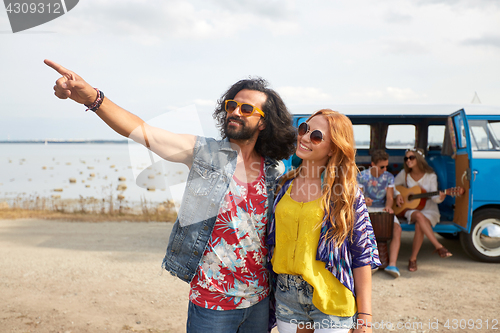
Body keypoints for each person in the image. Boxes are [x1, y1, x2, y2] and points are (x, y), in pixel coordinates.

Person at [45, 59, 297, 333]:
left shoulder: (274, 169)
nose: (235, 112)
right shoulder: (204, 154)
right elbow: (144, 132)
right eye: (231, 106)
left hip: (259, 300)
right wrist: (93, 98)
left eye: (246, 108)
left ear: (263, 122)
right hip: (212, 302)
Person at [268, 110, 380, 333]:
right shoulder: (282, 186)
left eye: (316, 136)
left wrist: (365, 317)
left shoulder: (346, 194)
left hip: (333, 296)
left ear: (333, 148)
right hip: (287, 295)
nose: (305, 137)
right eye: (303, 129)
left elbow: (362, 254)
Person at [394, 148, 452, 273]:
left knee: (420, 226)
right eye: (406, 158)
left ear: (419, 159)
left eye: (411, 158)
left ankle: (413, 259)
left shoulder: (430, 176)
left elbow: (434, 197)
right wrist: (398, 194)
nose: (408, 160)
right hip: (411, 209)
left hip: (430, 209)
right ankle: (439, 247)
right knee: (419, 217)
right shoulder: (404, 174)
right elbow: (393, 186)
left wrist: (440, 197)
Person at [356, 150, 402, 278]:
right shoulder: (362, 176)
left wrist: (388, 207)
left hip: (382, 208)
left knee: (397, 229)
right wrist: (364, 201)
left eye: (387, 166)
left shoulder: (389, 177)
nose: (385, 169)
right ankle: (368, 264)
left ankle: (392, 264)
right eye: (382, 166)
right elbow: (358, 196)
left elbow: (389, 197)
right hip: (367, 208)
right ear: (373, 164)